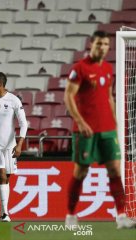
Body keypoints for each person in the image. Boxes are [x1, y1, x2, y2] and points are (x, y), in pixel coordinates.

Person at [64, 30, 136, 229]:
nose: (102, 47)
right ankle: (70, 215)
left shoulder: (107, 67)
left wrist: (114, 121)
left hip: (107, 130)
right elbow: (68, 97)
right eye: (99, 44)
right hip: (85, 131)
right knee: (81, 172)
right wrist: (80, 122)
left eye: (105, 44)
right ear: (91, 45)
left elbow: (109, 97)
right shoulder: (80, 68)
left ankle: (121, 216)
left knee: (115, 170)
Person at [0, 72, 28, 222]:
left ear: (1, 84)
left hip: (10, 145)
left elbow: (23, 123)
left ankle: (3, 213)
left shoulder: (14, 100)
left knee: (6, 178)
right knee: (1, 175)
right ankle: (5, 213)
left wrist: (20, 144)